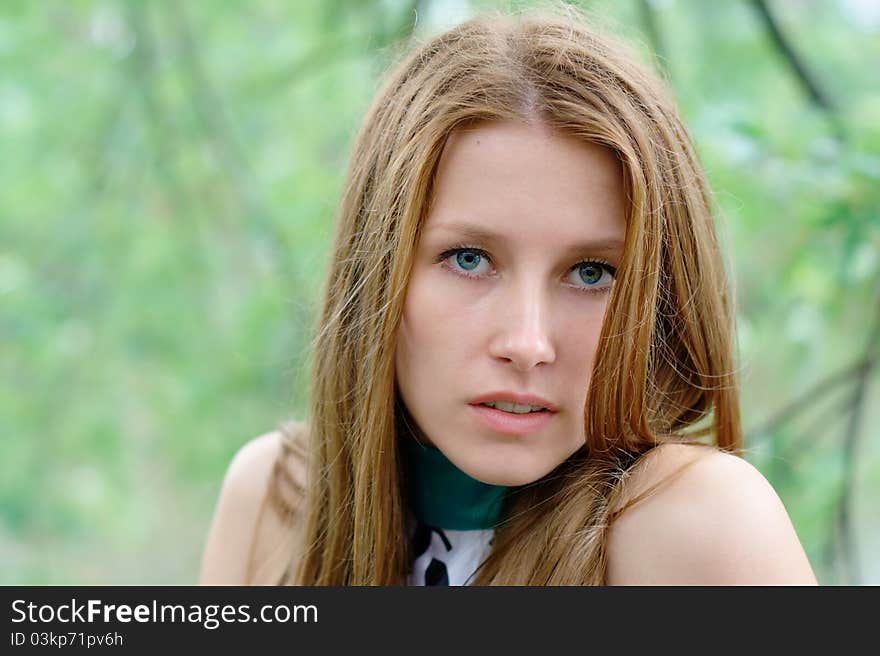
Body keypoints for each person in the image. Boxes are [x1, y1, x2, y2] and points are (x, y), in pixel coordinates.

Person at [199, 6, 818, 586]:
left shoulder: (698, 524)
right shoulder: (277, 499)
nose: (527, 343)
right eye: (469, 260)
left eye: (592, 273)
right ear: (377, 271)